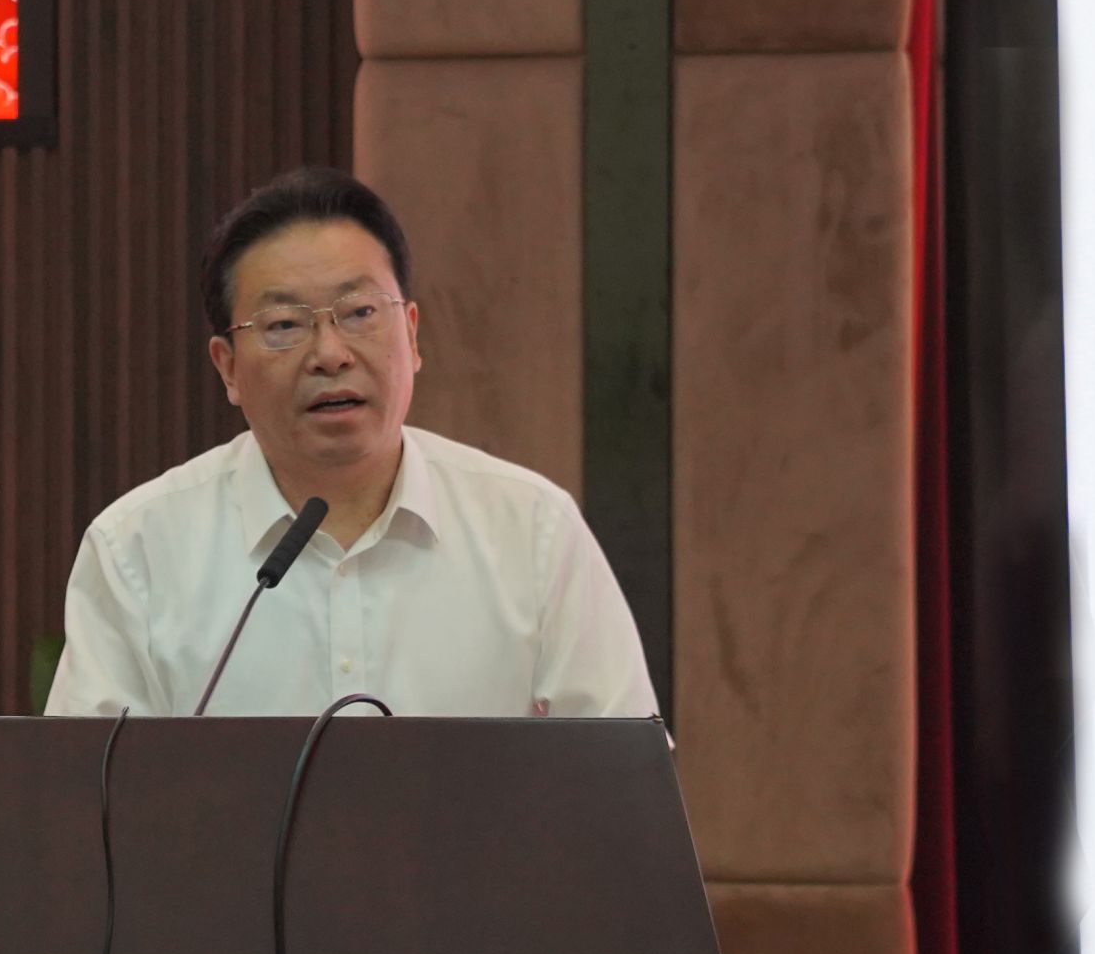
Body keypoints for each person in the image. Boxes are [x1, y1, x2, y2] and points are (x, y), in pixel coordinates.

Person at [44, 166, 656, 718]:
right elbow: (86, 794)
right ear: (227, 367)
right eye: (284, 324)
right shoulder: (138, 550)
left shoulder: (532, 532)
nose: (330, 354)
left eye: (360, 312)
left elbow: (623, 782)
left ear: (411, 335)